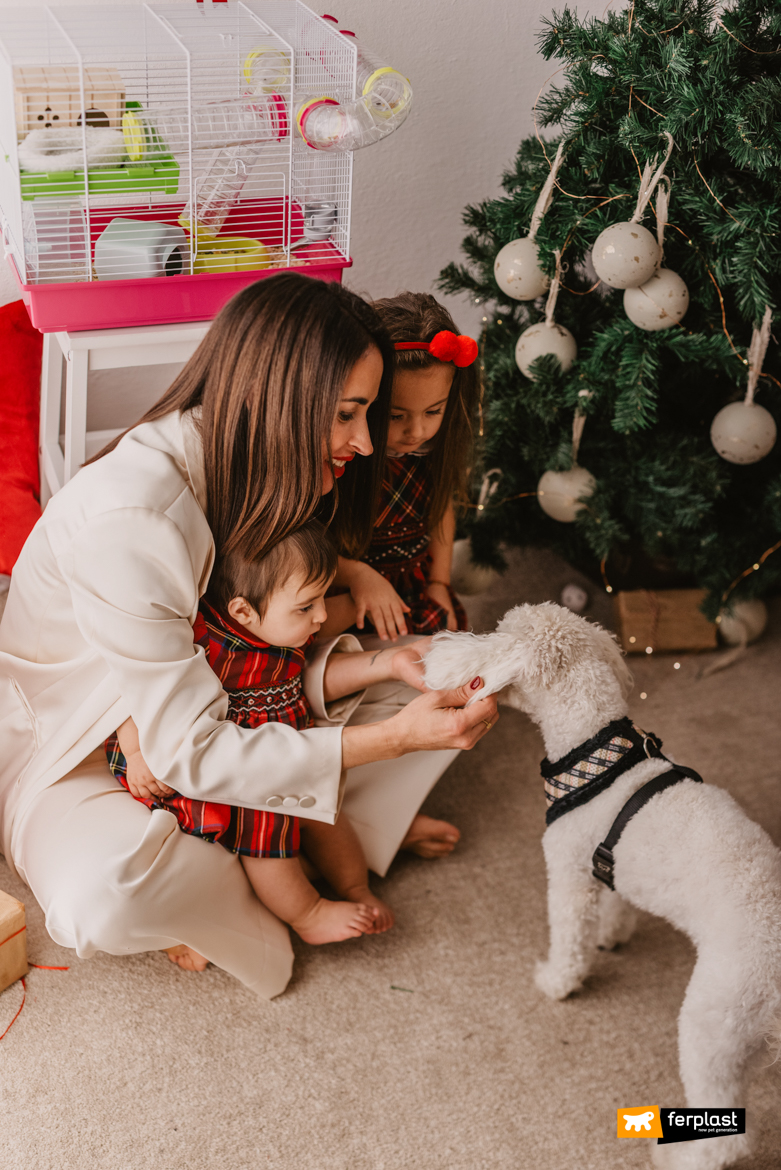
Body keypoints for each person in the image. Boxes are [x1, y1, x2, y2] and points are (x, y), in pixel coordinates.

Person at [0, 273, 498, 997]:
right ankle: (288, 864)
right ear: (280, 401)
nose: (364, 442)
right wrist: (395, 740)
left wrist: (389, 659)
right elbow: (189, 748)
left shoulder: (261, 463)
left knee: (427, 668)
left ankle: (297, 835)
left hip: (225, 700)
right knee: (104, 898)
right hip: (87, 746)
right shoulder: (135, 518)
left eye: (369, 414)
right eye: (349, 415)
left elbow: (265, 657)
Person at [108, 520, 428, 947]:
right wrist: (136, 751)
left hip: (294, 747)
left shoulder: (285, 625)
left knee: (328, 816)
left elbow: (331, 636)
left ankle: (356, 889)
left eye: (321, 599)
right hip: (238, 772)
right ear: (242, 611)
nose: (320, 615)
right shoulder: (205, 643)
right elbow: (130, 690)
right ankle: (307, 915)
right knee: (267, 846)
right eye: (307, 606)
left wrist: (380, 628)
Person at [323, 293, 480, 643]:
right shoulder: (341, 459)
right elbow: (307, 546)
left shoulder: (429, 453)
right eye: (396, 416)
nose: (417, 432)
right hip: (353, 595)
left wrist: (439, 582)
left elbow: (441, 511)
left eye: (433, 411)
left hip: (417, 590)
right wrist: (357, 576)